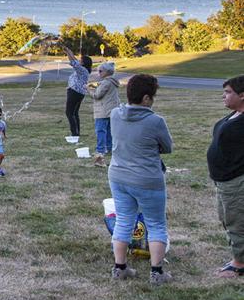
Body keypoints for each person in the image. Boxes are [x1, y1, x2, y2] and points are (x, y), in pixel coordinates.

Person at [108, 74, 174, 285]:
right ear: (146, 98)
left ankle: (120, 268)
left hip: (118, 175)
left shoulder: (114, 114)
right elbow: (168, 147)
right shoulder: (155, 121)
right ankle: (156, 272)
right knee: (156, 224)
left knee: (124, 220)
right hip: (147, 179)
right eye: (152, 97)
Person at [207, 74, 244, 278]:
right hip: (223, 179)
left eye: (228, 92)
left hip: (236, 180)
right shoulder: (233, 116)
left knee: (237, 222)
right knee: (226, 218)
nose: (224, 96)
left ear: (243, 95)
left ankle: (240, 264)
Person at [88, 61, 120, 167]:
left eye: (100, 71)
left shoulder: (106, 82)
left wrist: (88, 89)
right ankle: (109, 148)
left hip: (103, 111)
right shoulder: (112, 81)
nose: (99, 73)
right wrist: (96, 85)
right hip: (111, 110)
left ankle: (100, 150)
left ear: (107, 72)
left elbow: (97, 95)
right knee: (110, 131)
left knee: (100, 130)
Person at [62, 45, 93, 137]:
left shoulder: (82, 70)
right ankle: (77, 132)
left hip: (75, 92)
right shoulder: (84, 69)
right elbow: (74, 60)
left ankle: (74, 134)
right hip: (78, 93)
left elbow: (73, 61)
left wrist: (68, 52)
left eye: (81, 60)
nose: (79, 60)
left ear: (83, 63)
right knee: (74, 113)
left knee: (69, 113)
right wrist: (68, 51)